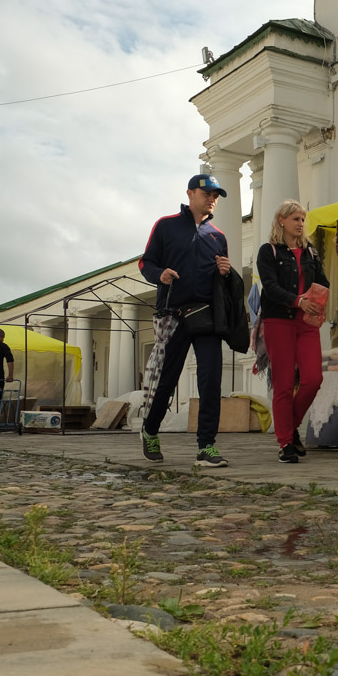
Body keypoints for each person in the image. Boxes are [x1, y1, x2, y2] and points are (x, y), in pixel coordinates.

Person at [137, 173, 233, 467]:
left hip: (206, 318)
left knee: (210, 380)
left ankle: (207, 446)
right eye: (207, 194)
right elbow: (146, 263)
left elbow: (222, 283)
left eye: (216, 195)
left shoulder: (218, 237)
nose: (213, 199)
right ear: (190, 194)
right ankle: (150, 430)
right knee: (167, 380)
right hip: (174, 315)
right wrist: (160, 275)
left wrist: (225, 271)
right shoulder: (166, 226)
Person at [257, 200, 329, 463]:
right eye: (295, 219)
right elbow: (270, 287)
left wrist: (318, 303)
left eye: (302, 219)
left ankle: (289, 425)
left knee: (313, 379)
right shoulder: (269, 252)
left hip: (306, 322)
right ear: (282, 221)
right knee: (284, 384)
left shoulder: (311, 252)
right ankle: (286, 441)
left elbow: (323, 282)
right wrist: (298, 300)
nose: (300, 224)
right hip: (279, 321)